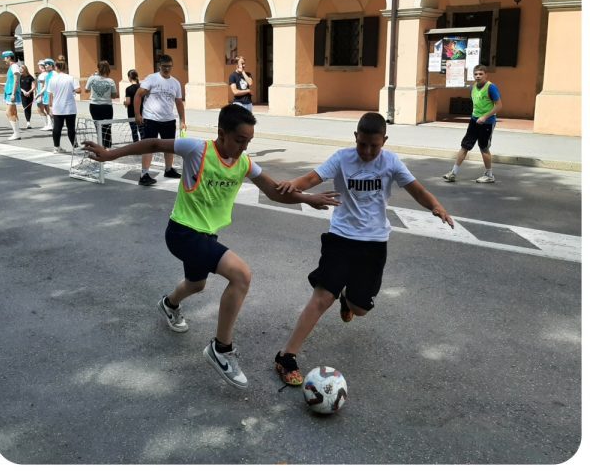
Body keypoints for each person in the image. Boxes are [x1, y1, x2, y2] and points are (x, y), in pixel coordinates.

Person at [82, 104, 341, 388]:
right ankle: (221, 349)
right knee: (241, 274)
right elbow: (155, 142)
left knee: (196, 284)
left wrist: (307, 199)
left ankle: (169, 304)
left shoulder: (244, 163)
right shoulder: (197, 149)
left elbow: (274, 191)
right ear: (222, 133)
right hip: (182, 232)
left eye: (249, 141)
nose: (244, 147)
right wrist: (109, 154)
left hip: (206, 236)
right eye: (239, 140)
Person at [272, 113, 454, 385]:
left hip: (374, 242)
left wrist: (435, 206)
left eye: (374, 145)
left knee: (360, 309)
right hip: (341, 237)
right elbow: (312, 178)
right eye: (363, 144)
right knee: (322, 297)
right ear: (355, 138)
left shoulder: (390, 161)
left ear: (384, 141)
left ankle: (347, 299)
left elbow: (416, 189)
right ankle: (286, 357)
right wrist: (293, 185)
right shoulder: (342, 158)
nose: (368, 151)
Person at [442, 64, 502, 184]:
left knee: (484, 148)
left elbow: (499, 106)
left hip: (487, 123)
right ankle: (453, 173)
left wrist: (485, 117)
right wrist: (476, 117)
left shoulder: (491, 87)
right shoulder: (473, 87)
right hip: (474, 121)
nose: (478, 76)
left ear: (486, 75)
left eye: (481, 74)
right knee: (465, 146)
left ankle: (489, 175)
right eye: (476, 74)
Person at [134, 54, 187, 186]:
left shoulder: (175, 83)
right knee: (149, 146)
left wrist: (182, 121)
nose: (167, 69)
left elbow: (179, 102)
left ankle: (168, 169)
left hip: (168, 119)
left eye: (169, 66)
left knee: (169, 146)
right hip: (151, 118)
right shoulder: (151, 79)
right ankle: (144, 174)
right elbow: (138, 95)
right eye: (164, 66)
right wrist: (137, 114)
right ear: (159, 66)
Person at [47, 58, 81, 153]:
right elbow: (79, 90)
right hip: (70, 107)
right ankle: (75, 147)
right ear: (65, 67)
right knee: (71, 128)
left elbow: (50, 94)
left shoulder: (52, 79)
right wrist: (71, 90)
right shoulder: (71, 78)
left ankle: (56, 147)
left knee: (57, 128)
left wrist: (50, 107)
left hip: (57, 107)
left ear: (56, 68)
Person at [85, 60, 120, 148]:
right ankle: (107, 146)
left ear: (98, 68)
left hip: (94, 105)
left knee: (98, 126)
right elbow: (114, 95)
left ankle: (101, 145)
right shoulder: (110, 81)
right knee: (107, 126)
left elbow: (86, 90)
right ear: (108, 69)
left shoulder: (92, 78)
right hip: (106, 106)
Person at [0, 51, 24, 141]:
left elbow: (16, 80)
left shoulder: (14, 66)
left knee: (9, 112)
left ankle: (16, 133)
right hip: (9, 92)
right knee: (13, 113)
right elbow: (10, 82)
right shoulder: (13, 67)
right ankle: (16, 132)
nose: (4, 59)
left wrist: (13, 93)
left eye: (5, 57)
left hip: (12, 93)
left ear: (9, 57)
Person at [123, 69, 142, 143]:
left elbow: (128, 102)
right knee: (142, 130)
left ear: (129, 78)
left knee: (134, 131)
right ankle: (144, 146)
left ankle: (136, 146)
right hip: (141, 111)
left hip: (132, 112)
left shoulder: (128, 89)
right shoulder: (142, 87)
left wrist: (124, 103)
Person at [36, 59, 56, 130]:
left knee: (51, 110)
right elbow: (45, 86)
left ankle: (53, 125)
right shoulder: (48, 74)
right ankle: (50, 125)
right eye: (45, 65)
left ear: (51, 65)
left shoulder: (54, 73)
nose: (45, 66)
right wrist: (39, 94)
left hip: (52, 95)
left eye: (47, 64)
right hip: (47, 94)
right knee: (48, 110)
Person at [19, 63, 36, 130]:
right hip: (23, 94)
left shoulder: (30, 77)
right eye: (20, 68)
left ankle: (28, 121)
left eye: (21, 68)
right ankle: (28, 122)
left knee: (29, 108)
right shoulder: (19, 77)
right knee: (25, 108)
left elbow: (34, 86)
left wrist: (29, 92)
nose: (20, 70)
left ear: (25, 69)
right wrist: (24, 91)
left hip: (30, 94)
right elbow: (18, 86)